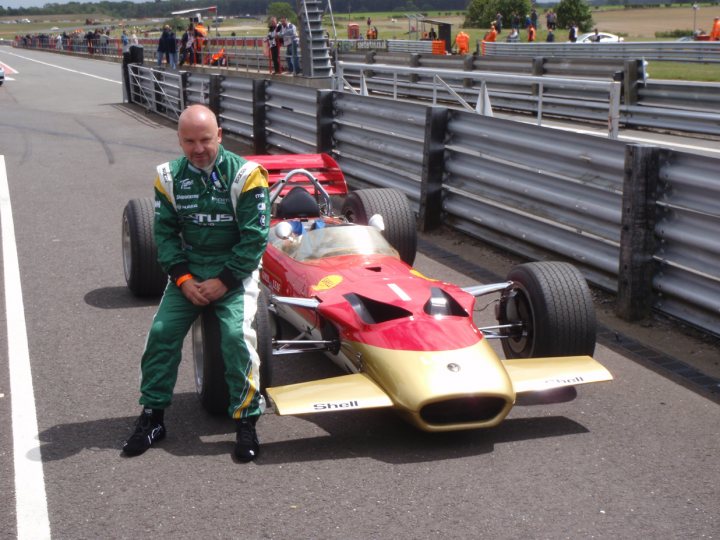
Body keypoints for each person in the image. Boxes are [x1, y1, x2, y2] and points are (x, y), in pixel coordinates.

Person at [122, 104, 271, 462]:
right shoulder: (169, 177)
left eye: (205, 139)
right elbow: (165, 234)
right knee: (161, 333)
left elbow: (254, 239)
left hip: (235, 270)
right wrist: (183, 279)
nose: (198, 148)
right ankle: (153, 417)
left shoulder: (247, 175)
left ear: (219, 135)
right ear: (179, 140)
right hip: (189, 271)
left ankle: (246, 421)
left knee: (236, 338)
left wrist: (223, 281)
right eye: (189, 141)